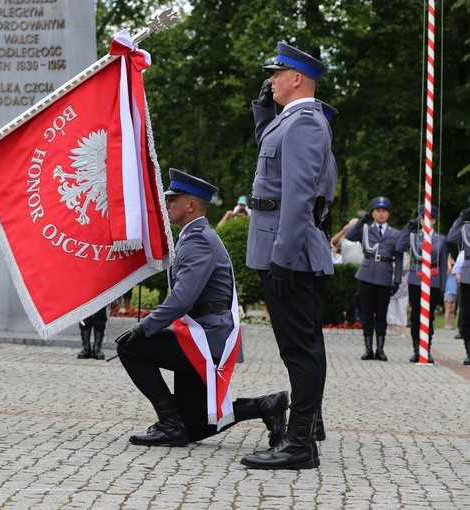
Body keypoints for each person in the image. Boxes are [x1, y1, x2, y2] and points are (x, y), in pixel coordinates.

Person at [115, 168, 288, 449]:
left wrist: (144, 327)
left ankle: (169, 423)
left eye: (173, 200)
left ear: (191, 205)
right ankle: (266, 406)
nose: (167, 204)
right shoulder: (194, 235)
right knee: (194, 427)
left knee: (130, 347)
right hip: (199, 333)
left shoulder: (197, 239)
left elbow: (182, 298)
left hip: (206, 338)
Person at [241, 42, 336, 470]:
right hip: (283, 246)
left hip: (289, 251)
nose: (270, 80)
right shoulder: (291, 121)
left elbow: (298, 196)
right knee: (301, 345)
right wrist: (263, 112)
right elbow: (274, 160)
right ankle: (306, 429)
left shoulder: (305, 123)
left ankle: (299, 444)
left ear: (296, 78)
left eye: (276, 74)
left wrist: (281, 256)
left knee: (299, 348)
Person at [344, 196, 403, 361]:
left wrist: (397, 279)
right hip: (367, 273)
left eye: (384, 211)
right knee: (367, 313)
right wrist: (363, 220)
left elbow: (398, 257)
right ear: (373, 213)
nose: (381, 214)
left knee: (382, 314)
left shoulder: (395, 234)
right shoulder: (365, 229)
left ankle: (381, 349)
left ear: (388, 214)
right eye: (378, 211)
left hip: (384, 274)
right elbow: (349, 235)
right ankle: (368, 348)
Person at [396, 206, 448, 363]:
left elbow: (444, 264)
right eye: (422, 218)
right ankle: (417, 348)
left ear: (433, 220)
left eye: (429, 218)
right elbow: (399, 247)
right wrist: (408, 229)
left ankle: (427, 349)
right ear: (420, 220)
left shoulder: (441, 239)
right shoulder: (413, 236)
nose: (426, 221)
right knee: (416, 315)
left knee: (429, 316)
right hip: (416, 278)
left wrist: (443, 287)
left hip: (433, 279)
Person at [445, 208, 470, 365]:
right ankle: (469, 351)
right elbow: (451, 238)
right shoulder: (466, 226)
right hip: (468, 274)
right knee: (467, 314)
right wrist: (461, 218)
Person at [386, 252, 410, 339]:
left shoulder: (405, 255)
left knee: (402, 310)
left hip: (403, 288)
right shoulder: (390, 253)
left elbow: (404, 267)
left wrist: (393, 266)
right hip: (390, 285)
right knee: (390, 309)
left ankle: (402, 331)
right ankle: (391, 330)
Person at [443, 254, 457, 329]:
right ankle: (446, 324)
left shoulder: (455, 273)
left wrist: (454, 263)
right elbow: (450, 269)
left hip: (455, 292)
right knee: (448, 310)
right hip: (448, 292)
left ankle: (450, 324)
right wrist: (449, 260)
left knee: (452, 310)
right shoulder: (448, 272)